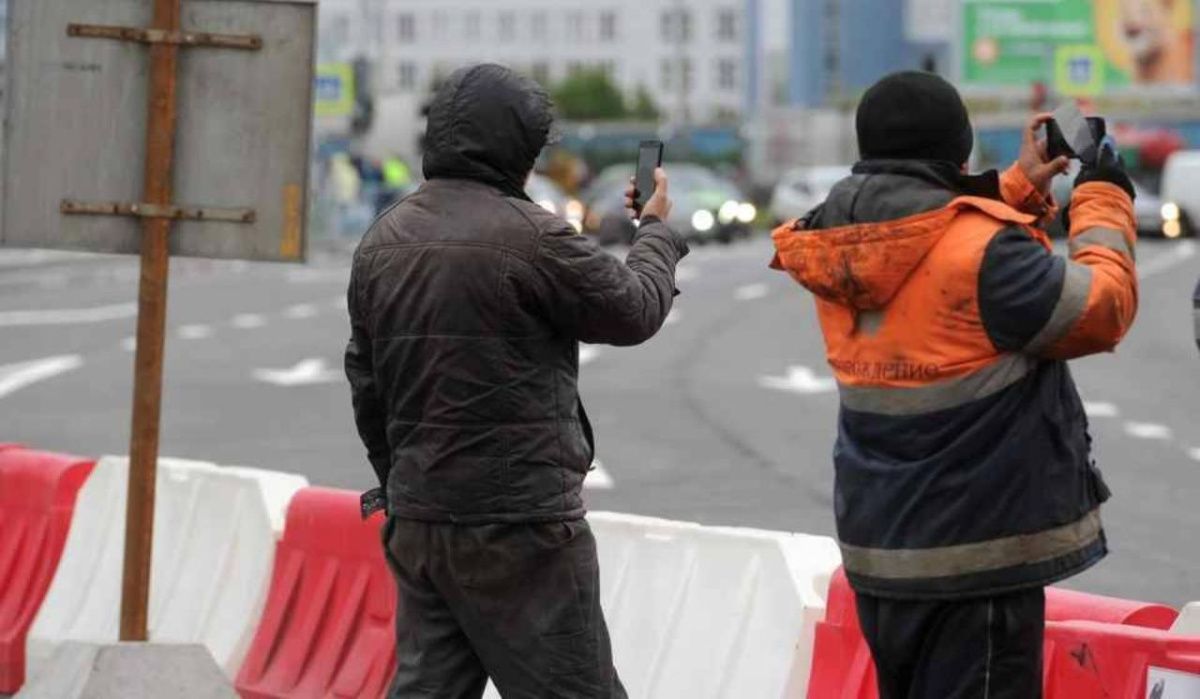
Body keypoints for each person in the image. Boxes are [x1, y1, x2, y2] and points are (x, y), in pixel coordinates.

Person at [771, 72, 1138, 698]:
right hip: (976, 565)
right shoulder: (985, 256)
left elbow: (936, 245)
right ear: (959, 152)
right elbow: (1101, 310)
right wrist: (1102, 199)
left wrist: (1020, 186)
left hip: (882, 555)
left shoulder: (839, 237)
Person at [344, 63, 687, 699]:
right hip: (519, 529)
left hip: (421, 520)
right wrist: (657, 232)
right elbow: (636, 308)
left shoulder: (382, 239)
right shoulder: (532, 236)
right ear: (516, 147)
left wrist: (401, 481)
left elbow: (367, 383)